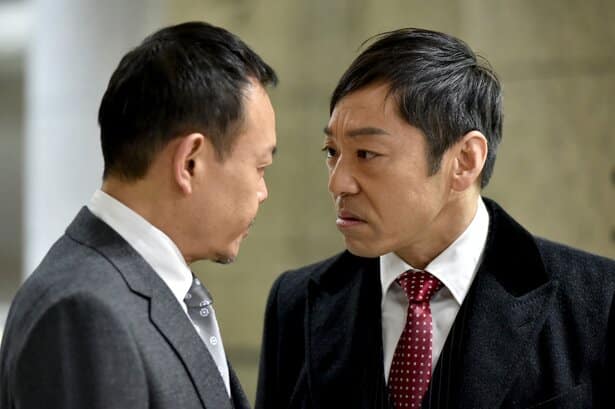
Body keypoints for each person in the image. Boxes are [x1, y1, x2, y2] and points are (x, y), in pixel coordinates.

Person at [255, 28, 615, 409]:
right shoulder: (295, 304)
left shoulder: (599, 302)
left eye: (366, 154)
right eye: (332, 151)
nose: (337, 183)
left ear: (465, 161)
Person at [0, 21, 277, 409]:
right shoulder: (85, 313)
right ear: (190, 162)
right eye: (260, 168)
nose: (263, 192)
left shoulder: (127, 288)